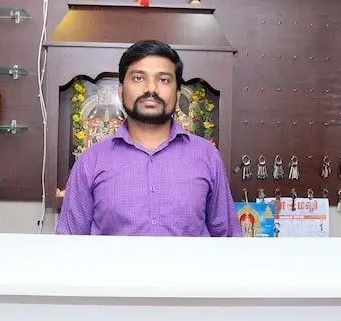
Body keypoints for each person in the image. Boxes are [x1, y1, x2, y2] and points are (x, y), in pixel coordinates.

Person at [56, 39, 241, 236]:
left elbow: (228, 240)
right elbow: (68, 244)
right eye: (138, 78)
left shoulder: (207, 156)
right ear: (121, 90)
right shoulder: (90, 161)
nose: (151, 89)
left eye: (164, 80)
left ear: (178, 94)